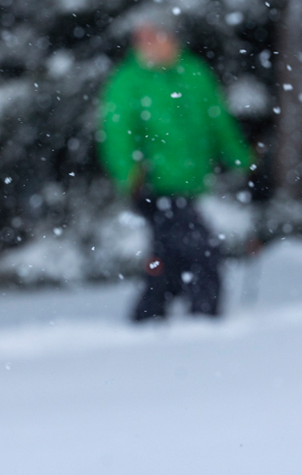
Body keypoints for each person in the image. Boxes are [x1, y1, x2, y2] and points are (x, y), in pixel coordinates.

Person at [97, 10, 255, 323]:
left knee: (167, 255)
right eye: (139, 38)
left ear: (170, 37)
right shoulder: (128, 80)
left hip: (190, 182)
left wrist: (241, 159)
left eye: (152, 35)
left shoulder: (194, 73)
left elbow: (217, 121)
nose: (145, 44)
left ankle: (149, 314)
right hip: (153, 185)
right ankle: (204, 315)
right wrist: (129, 173)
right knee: (202, 249)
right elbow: (116, 133)